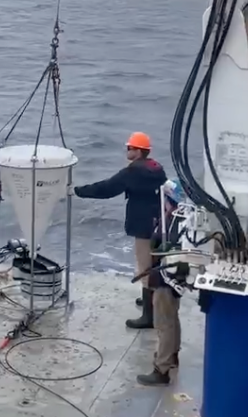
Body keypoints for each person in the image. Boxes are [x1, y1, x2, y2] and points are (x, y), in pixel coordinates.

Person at [72, 131, 168, 329]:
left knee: (144, 268)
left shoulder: (133, 172)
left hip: (143, 226)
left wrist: (78, 191)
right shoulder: (156, 168)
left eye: (130, 148)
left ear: (139, 151)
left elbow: (107, 189)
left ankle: (148, 318)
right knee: (155, 262)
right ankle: (149, 300)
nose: (127, 150)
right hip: (159, 223)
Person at [137, 179, 185, 385]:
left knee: (163, 323)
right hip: (174, 280)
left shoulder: (172, 223)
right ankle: (173, 355)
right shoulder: (181, 218)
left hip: (166, 279)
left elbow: (164, 249)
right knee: (172, 318)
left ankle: (162, 368)